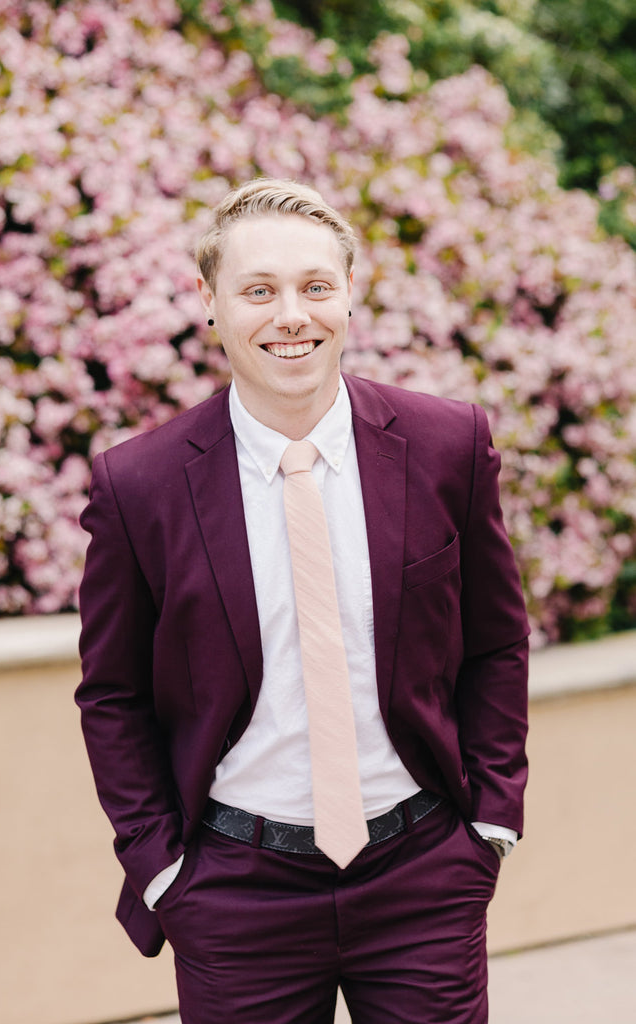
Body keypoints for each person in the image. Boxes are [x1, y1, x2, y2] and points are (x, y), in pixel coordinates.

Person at [76, 177, 529, 1024]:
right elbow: (113, 695)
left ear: (348, 294)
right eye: (260, 291)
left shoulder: (447, 446)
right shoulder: (138, 486)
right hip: (236, 893)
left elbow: (495, 644)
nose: (292, 315)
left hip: (423, 875)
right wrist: (164, 870)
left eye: (315, 287)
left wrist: (491, 822)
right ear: (209, 301)